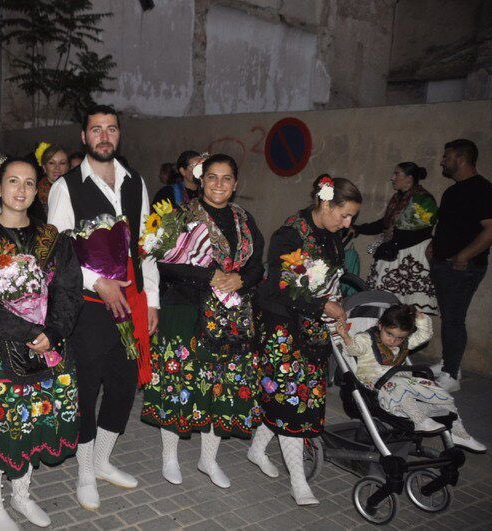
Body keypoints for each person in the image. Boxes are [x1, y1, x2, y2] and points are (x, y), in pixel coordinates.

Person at [47, 104, 160, 510]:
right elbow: (58, 251)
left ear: (119, 134)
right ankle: (83, 473)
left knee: (123, 385)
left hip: (129, 301)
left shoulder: (134, 181)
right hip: (88, 304)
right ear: (84, 136)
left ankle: (101, 461)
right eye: (96, 129)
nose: (104, 136)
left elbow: (145, 246)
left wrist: (152, 301)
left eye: (111, 129)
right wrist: (97, 282)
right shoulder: (67, 186)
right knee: (86, 389)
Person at [0, 158, 82, 529]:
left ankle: (21, 495)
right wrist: (27, 331)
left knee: (30, 420)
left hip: (44, 348)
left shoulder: (52, 238)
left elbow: (68, 289)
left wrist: (54, 330)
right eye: (13, 181)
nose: (21, 189)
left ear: (37, 190)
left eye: (29, 183)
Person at [142, 154, 264, 488]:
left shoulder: (244, 219)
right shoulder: (181, 216)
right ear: (201, 180)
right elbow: (161, 262)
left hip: (229, 315)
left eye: (226, 178)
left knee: (218, 385)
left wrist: (242, 280)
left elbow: (258, 264)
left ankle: (208, 460)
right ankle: (169, 457)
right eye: (212, 177)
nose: (219, 184)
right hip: (185, 311)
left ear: (235, 184)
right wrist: (207, 276)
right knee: (179, 383)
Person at [249, 176, 361, 506]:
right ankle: (298, 481)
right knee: (290, 399)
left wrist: (333, 309)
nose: (348, 223)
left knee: (303, 395)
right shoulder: (289, 234)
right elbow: (280, 287)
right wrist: (322, 305)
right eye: (344, 214)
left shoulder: (333, 235)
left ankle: (257, 450)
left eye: (352, 217)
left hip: (312, 327)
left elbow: (331, 280)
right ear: (325, 203)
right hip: (281, 324)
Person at [336, 303, 485, 452]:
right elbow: (355, 349)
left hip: (401, 380)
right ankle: (419, 420)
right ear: (380, 326)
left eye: (400, 338)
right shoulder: (366, 338)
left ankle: (459, 433)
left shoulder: (404, 343)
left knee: (436, 389)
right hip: (373, 381)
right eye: (389, 334)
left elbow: (424, 335)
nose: (393, 341)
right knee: (396, 384)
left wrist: (421, 318)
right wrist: (346, 337)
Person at [428, 139, 492, 392]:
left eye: (446, 157)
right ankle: (449, 363)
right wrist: (434, 245)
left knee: (454, 320)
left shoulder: (482, 190)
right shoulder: (452, 191)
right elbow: (450, 226)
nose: (442, 161)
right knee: (449, 318)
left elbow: (491, 229)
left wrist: (464, 256)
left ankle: (451, 375)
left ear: (460, 158)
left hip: (462, 269)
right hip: (444, 265)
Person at [354, 162, 438, 314]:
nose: (392, 178)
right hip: (396, 252)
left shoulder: (423, 199)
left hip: (412, 256)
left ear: (409, 179)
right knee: (386, 304)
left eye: (397, 174)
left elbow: (422, 230)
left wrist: (394, 237)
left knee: (410, 306)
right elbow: (385, 224)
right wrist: (358, 229)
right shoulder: (398, 198)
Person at [36, 144, 69, 217]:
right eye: (51, 163)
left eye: (62, 163)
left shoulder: (75, 190)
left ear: (67, 167)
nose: (57, 168)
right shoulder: (35, 193)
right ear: (44, 167)